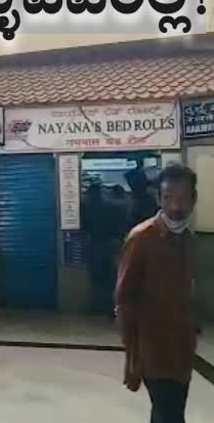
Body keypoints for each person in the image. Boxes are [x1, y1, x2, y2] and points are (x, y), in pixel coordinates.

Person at [115, 164, 198, 423]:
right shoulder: (141, 238)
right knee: (168, 414)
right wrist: (132, 357)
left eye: (183, 199)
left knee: (170, 414)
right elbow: (124, 300)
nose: (175, 206)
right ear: (158, 199)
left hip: (181, 351)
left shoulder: (187, 239)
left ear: (193, 200)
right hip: (154, 350)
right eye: (168, 198)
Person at [82, 184, 124, 316]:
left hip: (95, 244)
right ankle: (111, 309)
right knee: (111, 279)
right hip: (111, 245)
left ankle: (98, 307)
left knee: (97, 280)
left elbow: (85, 226)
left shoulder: (86, 207)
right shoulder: (112, 206)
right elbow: (121, 225)